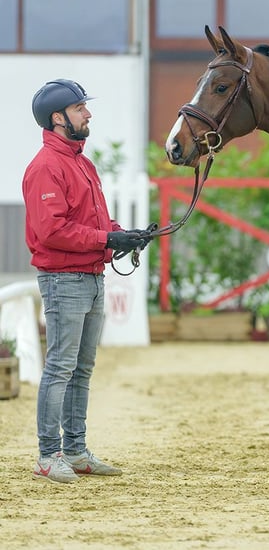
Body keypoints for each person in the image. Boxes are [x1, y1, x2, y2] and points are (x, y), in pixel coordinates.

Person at [23, 79, 152, 483]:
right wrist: (105, 239)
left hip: (90, 276)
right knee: (60, 367)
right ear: (58, 118)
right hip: (64, 280)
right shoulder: (46, 167)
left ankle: (75, 450)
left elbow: (93, 220)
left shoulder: (82, 162)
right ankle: (48, 454)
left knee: (81, 369)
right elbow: (52, 231)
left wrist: (121, 233)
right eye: (80, 108)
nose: (88, 114)